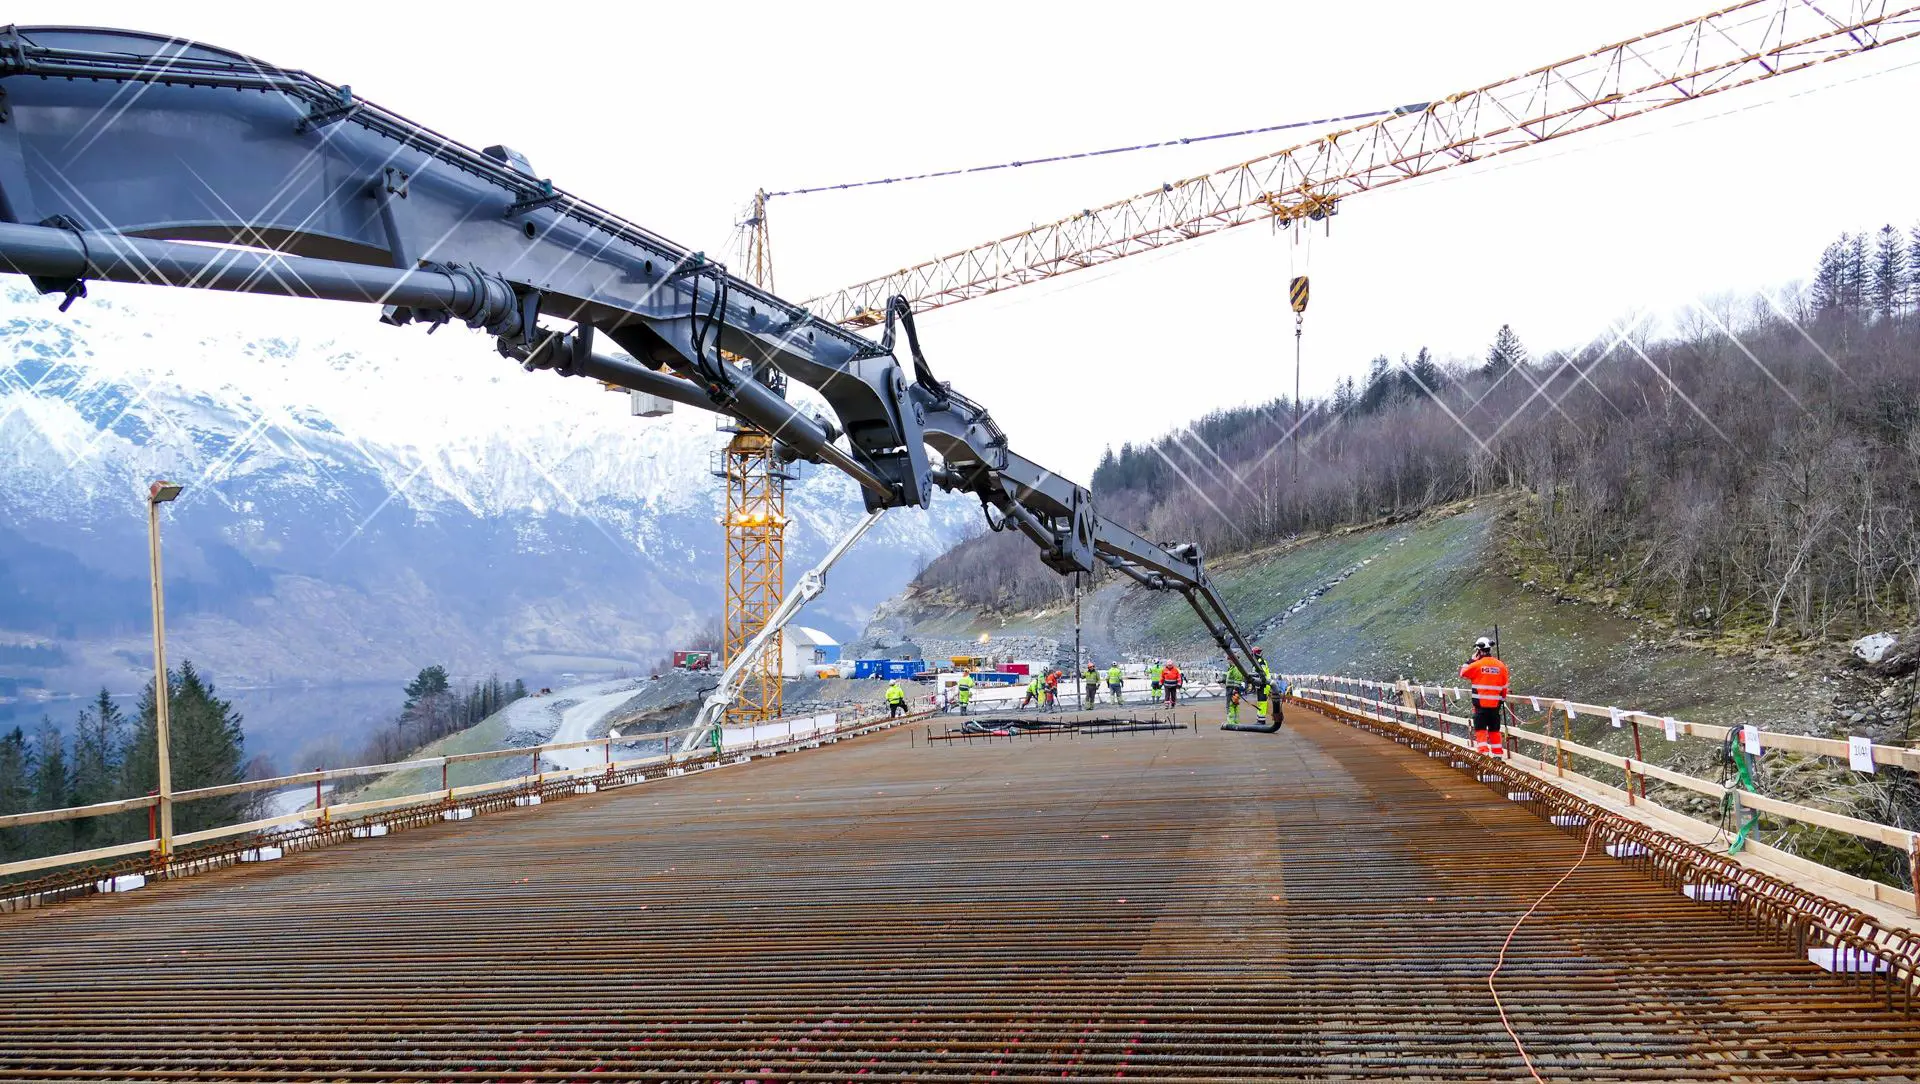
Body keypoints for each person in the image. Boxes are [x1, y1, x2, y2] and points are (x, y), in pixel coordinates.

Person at [1460, 636, 1511, 757]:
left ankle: (1484, 754)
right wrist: (1502, 699)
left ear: (1478, 651)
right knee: (1494, 730)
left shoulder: (1476, 665)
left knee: (1481, 730)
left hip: (1480, 706)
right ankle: (1497, 755)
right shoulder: (1501, 666)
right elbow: (1504, 687)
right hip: (1495, 706)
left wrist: (1470, 660)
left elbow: (1463, 673)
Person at [1225, 659, 1247, 725]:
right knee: (1235, 705)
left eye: (1229, 659)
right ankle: (1235, 721)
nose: (1228, 660)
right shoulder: (1232, 668)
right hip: (1231, 689)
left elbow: (1238, 679)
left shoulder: (1235, 668)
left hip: (1232, 689)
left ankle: (1231, 723)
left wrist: (1235, 690)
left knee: (1230, 706)